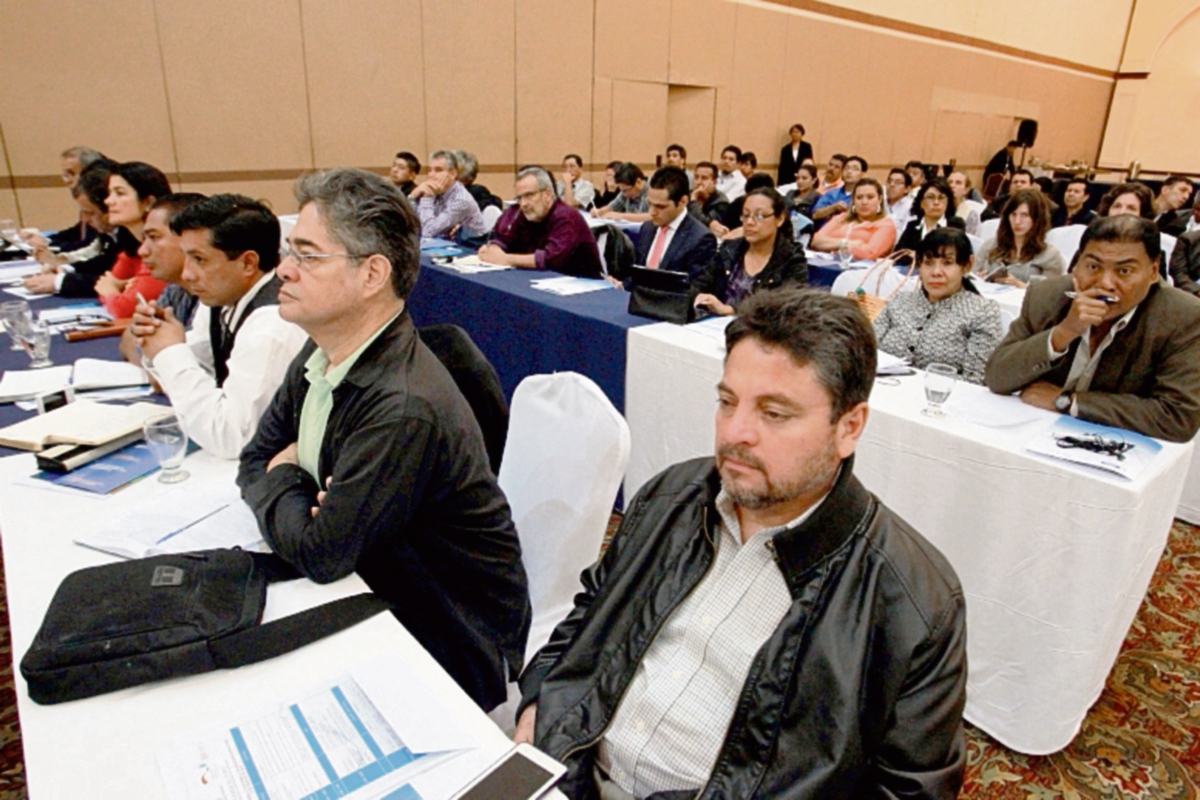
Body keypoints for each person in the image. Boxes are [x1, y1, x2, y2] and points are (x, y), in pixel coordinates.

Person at [514, 287, 967, 798]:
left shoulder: (912, 598)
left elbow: (912, 790)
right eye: (727, 402)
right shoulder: (675, 495)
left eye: (774, 414)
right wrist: (539, 702)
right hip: (569, 768)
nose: (736, 432)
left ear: (849, 427)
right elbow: (590, 610)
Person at [237, 168, 531, 710]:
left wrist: (285, 475)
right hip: (376, 586)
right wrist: (299, 490)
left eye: (307, 255)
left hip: (445, 636)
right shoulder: (324, 348)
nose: (283, 270)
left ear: (372, 274)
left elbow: (321, 553)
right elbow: (253, 455)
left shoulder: (402, 406)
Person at [985, 215, 1200, 443]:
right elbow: (997, 377)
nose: (1105, 283)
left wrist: (1068, 401)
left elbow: (1178, 417)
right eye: (1093, 266)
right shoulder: (1047, 296)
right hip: (1033, 435)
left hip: (1113, 447)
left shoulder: (1184, 317)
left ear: (1153, 270)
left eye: (1124, 271)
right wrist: (1064, 332)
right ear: (1077, 265)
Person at [131, 195, 309, 459]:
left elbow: (233, 439)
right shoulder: (220, 298)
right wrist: (159, 339)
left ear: (248, 263)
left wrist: (169, 353)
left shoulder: (272, 324)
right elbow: (199, 366)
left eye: (199, 259)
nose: (187, 274)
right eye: (185, 257)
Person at [875, 228, 1002, 384]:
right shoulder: (900, 301)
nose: (936, 272)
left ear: (967, 265)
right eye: (928, 263)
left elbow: (976, 379)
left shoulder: (982, 312)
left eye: (947, 263)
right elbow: (867, 352)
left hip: (942, 400)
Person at [117, 193, 207, 365]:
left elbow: (173, 375)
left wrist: (155, 359)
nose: (142, 251)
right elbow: (129, 337)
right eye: (144, 239)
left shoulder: (218, 297)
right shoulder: (176, 288)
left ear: (187, 238)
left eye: (154, 237)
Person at [692, 188, 807, 316]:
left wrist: (732, 310)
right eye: (746, 215)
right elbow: (701, 283)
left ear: (779, 219)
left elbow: (785, 308)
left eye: (759, 216)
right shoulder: (729, 249)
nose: (750, 223)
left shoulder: (792, 260)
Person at [477, 167, 603, 278]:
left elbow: (549, 258)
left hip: (581, 287)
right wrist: (493, 250)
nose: (523, 204)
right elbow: (504, 238)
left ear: (547, 194)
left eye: (529, 195)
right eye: (519, 198)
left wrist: (505, 259)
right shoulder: (526, 214)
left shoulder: (566, 217)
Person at [23, 161, 123, 297]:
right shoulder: (112, 233)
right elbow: (104, 261)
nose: (86, 220)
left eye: (90, 213)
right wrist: (66, 269)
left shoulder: (131, 235)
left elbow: (121, 280)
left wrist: (61, 281)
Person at [94, 162, 172, 317]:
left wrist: (112, 290)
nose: (108, 201)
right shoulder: (132, 245)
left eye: (120, 193)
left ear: (149, 202)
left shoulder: (163, 248)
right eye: (109, 193)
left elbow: (124, 308)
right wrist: (115, 290)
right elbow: (104, 285)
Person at [632, 166, 715, 281]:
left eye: (660, 207)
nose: (652, 212)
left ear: (682, 202)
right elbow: (636, 274)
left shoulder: (700, 239)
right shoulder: (647, 228)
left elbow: (695, 288)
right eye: (649, 204)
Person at [974, 190, 1064, 287]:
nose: (1017, 221)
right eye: (1013, 214)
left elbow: (1049, 293)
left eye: (1024, 215)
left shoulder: (1050, 255)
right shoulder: (990, 245)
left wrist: (1020, 285)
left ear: (1037, 219)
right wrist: (978, 280)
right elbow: (971, 276)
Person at [811, 177, 898, 260]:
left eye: (870, 197)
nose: (864, 202)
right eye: (859, 197)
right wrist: (846, 243)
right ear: (853, 200)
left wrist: (831, 245)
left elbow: (868, 254)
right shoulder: (842, 217)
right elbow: (815, 240)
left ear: (879, 199)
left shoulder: (886, 224)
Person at [407, 150, 487, 240]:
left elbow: (428, 232)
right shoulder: (436, 190)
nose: (431, 175)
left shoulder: (461, 200)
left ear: (452, 174)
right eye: (429, 170)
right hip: (444, 245)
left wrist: (427, 197)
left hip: (470, 248)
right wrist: (412, 197)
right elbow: (409, 224)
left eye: (438, 170)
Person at [896, 179, 965, 255]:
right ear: (921, 203)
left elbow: (960, 255)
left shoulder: (955, 224)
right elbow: (899, 255)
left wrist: (918, 256)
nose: (936, 202)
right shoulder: (913, 226)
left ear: (947, 203)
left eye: (941, 198)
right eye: (930, 197)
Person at [810, 155, 865, 228]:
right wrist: (833, 208)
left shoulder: (864, 197)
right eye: (846, 168)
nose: (849, 171)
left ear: (863, 174)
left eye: (854, 169)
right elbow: (815, 214)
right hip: (823, 233)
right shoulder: (831, 193)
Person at [687, 161, 731, 236]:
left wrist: (694, 201)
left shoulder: (721, 202)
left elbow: (704, 225)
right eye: (696, 177)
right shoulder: (686, 196)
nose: (698, 182)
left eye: (704, 178)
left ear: (714, 182)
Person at [885, 167, 914, 232]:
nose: (892, 185)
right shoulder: (879, 203)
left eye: (897, 182)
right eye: (889, 181)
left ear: (907, 189)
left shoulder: (911, 206)